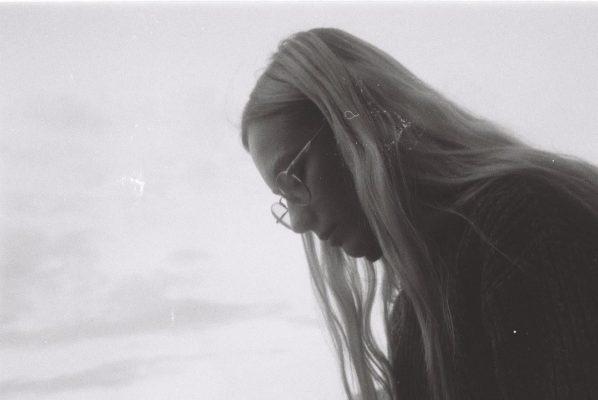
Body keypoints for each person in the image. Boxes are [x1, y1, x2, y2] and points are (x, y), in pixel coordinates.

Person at [240, 28, 598, 400]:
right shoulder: (411, 316)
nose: (299, 222)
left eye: (294, 178)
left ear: (356, 128)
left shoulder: (525, 225)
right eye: (284, 199)